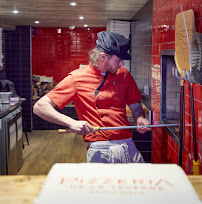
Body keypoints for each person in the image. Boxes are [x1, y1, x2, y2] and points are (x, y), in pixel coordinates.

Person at [33, 31, 151, 163]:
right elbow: (40, 107)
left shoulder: (123, 74)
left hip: (128, 144)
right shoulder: (77, 78)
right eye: (118, 59)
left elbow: (135, 106)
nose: (122, 64)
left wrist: (139, 118)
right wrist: (71, 122)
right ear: (103, 57)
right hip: (101, 149)